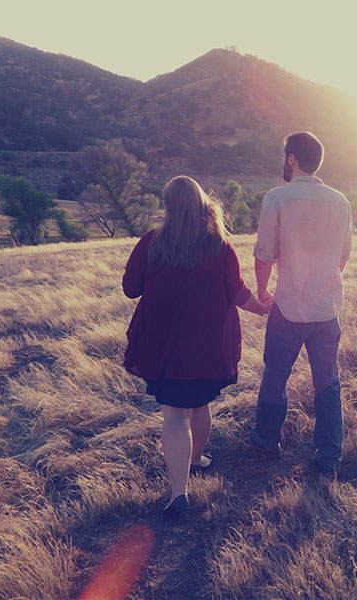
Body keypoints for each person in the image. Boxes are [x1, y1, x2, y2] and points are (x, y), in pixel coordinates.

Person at [122, 175, 271, 519]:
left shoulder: (151, 242)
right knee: (200, 403)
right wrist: (263, 308)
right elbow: (237, 292)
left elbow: (130, 289)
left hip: (163, 345)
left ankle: (179, 492)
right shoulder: (219, 245)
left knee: (175, 414)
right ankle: (196, 459)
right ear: (202, 204)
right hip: (207, 345)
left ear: (168, 207)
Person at [250, 131, 352, 475]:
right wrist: (322, 281)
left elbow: (264, 254)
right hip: (327, 309)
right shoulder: (341, 201)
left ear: (291, 158)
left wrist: (262, 291)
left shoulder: (277, 198)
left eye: (285, 156)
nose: (283, 161)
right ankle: (329, 454)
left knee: (276, 374)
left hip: (288, 305)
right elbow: (343, 256)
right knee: (328, 381)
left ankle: (267, 439)